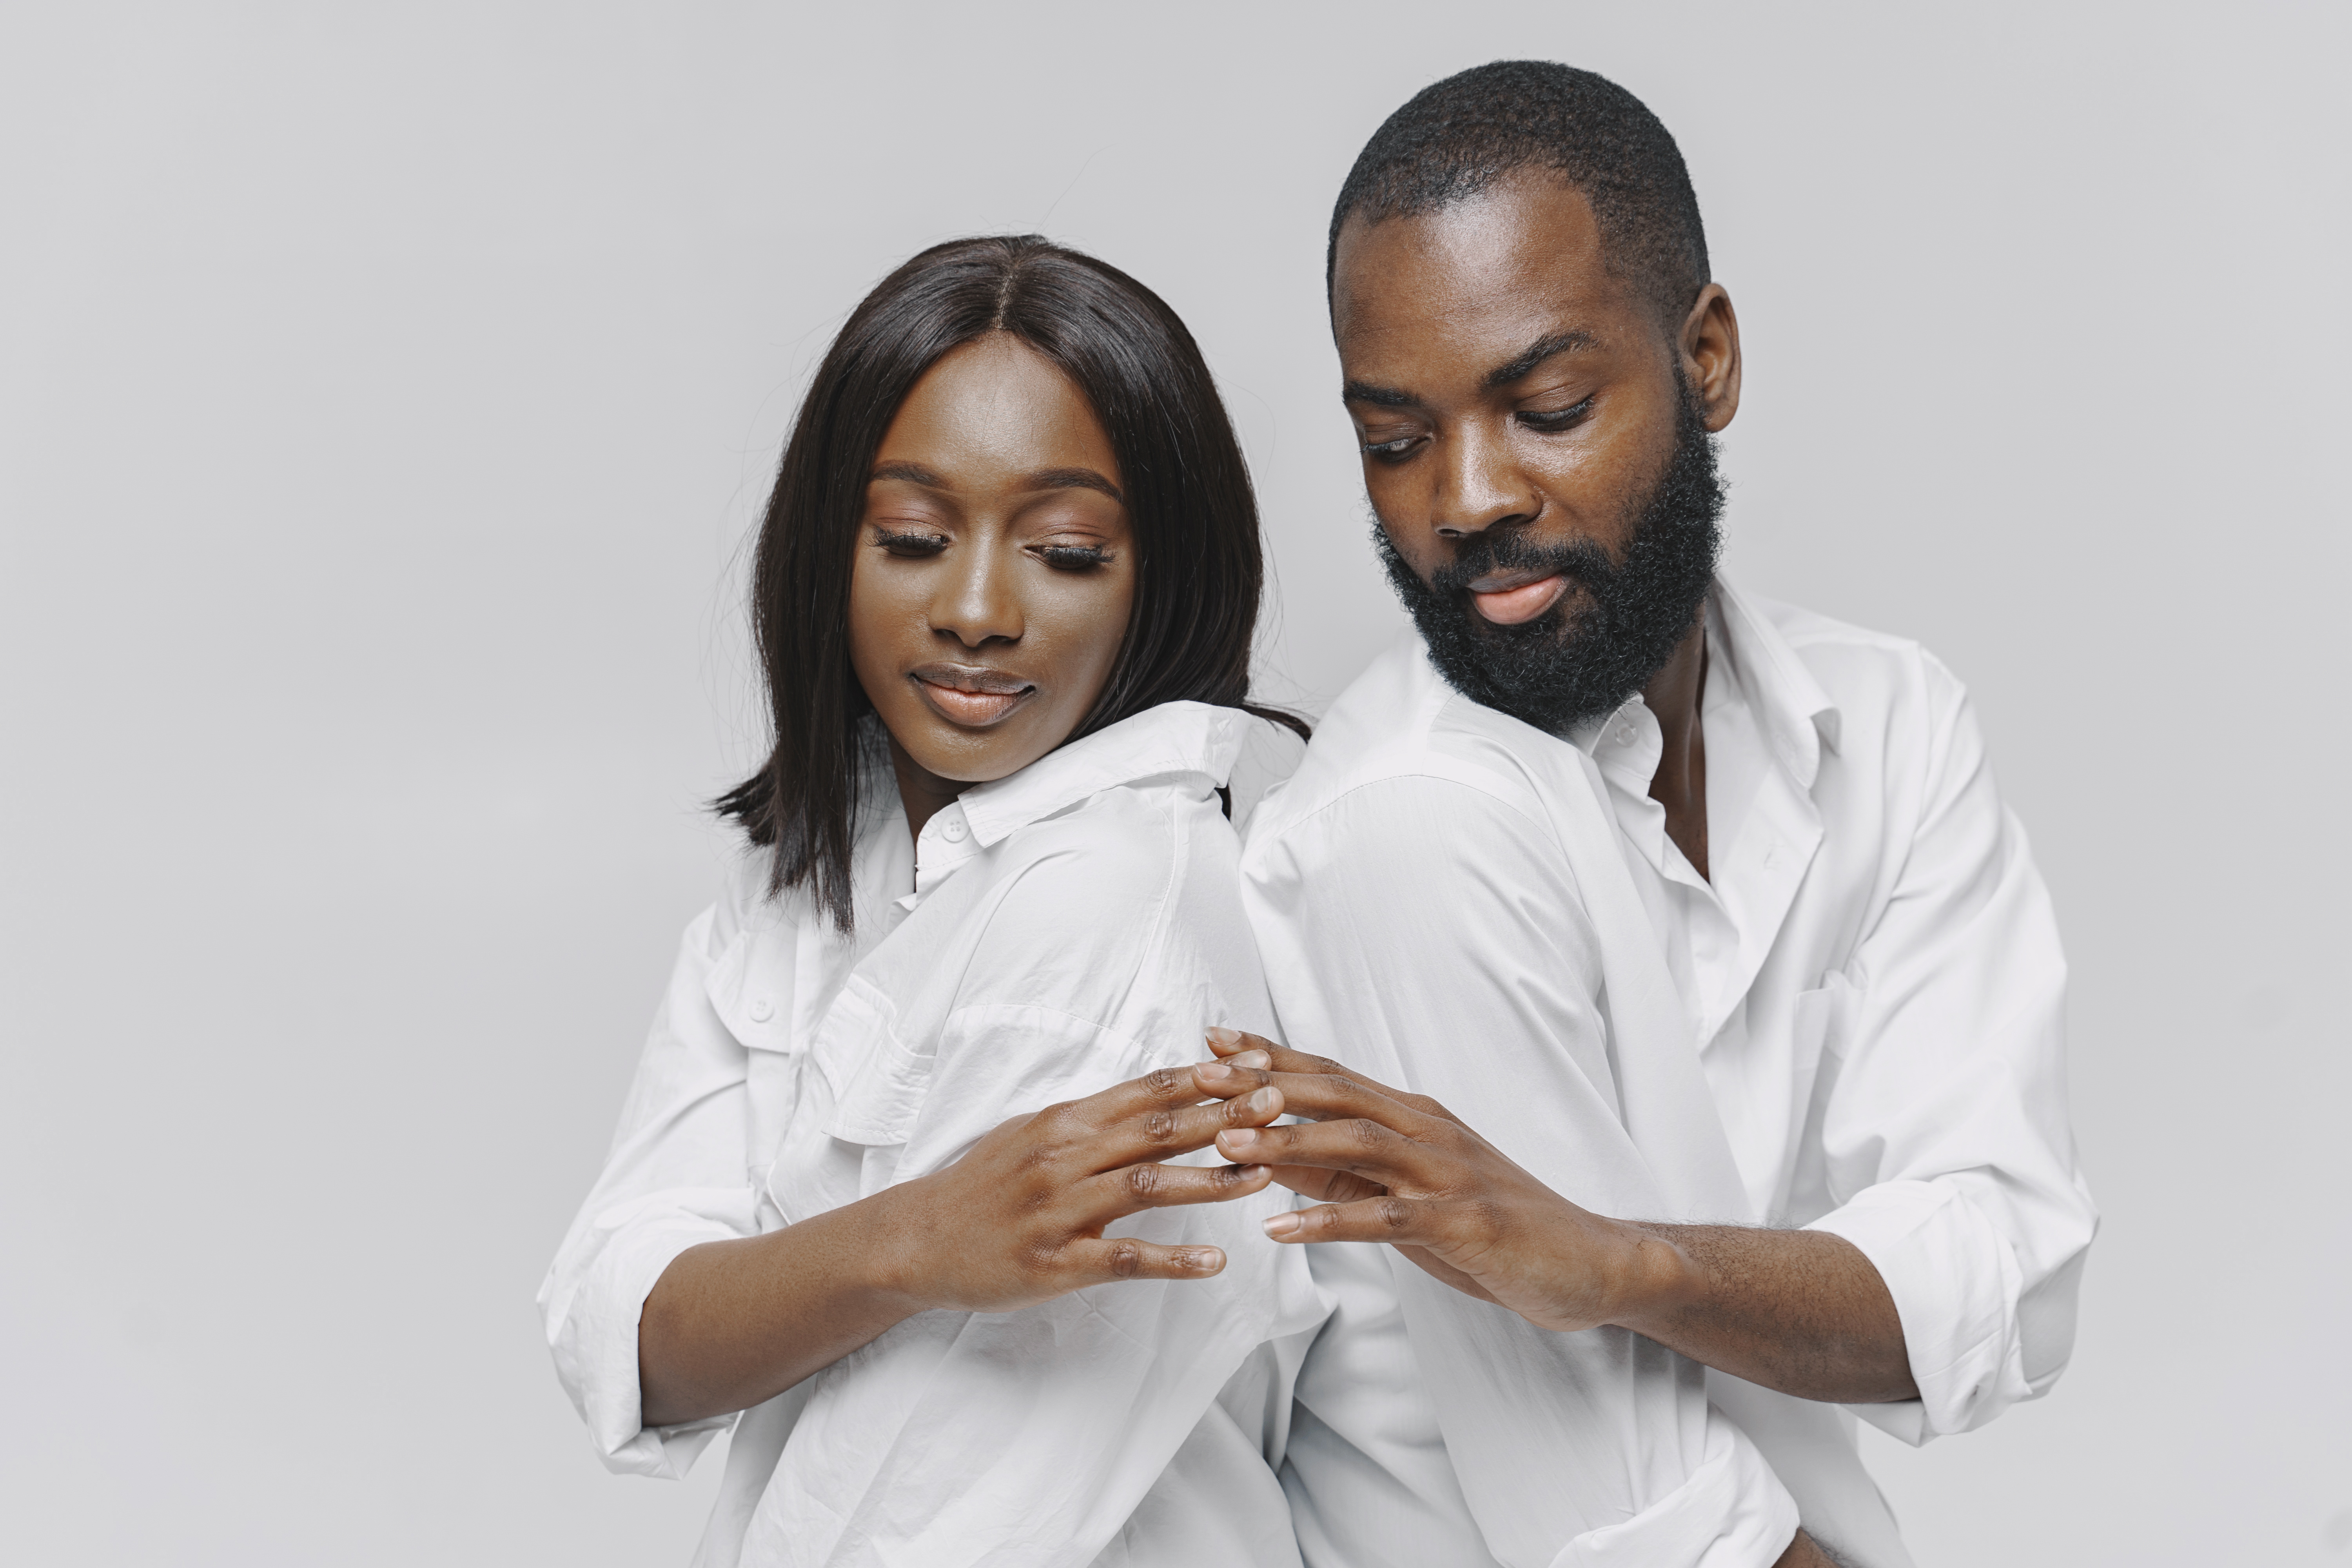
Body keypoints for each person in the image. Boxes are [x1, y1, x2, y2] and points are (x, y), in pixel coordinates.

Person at [1197, 62, 2098, 1568]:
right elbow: (1645, 1533)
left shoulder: (1885, 724)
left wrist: (1627, 1269)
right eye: (1396, 438)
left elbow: (2006, 1278)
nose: (1466, 499)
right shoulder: (1407, 834)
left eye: (1547, 406)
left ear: (1710, 360)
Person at [539, 235, 1325, 1568]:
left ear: (1164, 576)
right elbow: (627, 1343)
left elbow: (916, 1526)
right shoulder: (822, 864)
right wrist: (910, 1240)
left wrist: (824, 1273)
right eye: (912, 537)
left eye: (1066, 552)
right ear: (827, 546)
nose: (974, 609)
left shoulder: (1111, 904)